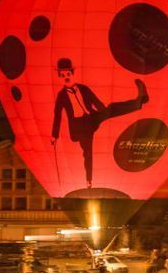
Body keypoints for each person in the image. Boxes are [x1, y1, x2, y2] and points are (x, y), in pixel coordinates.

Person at [50, 58, 148, 187]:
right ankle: (88, 181)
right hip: (79, 127)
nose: (66, 77)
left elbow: (95, 101)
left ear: (72, 73)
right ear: (60, 77)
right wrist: (54, 135)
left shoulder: (83, 88)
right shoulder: (61, 96)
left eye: (68, 74)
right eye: (63, 75)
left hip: (91, 118)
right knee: (87, 151)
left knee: (112, 108)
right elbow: (57, 115)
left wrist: (104, 110)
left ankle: (140, 101)